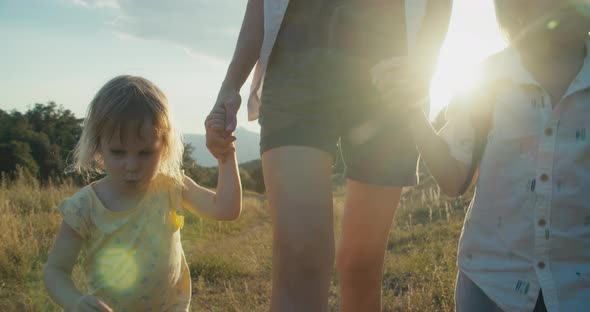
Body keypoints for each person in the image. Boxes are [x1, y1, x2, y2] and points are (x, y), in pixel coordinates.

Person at [205, 0, 452, 310]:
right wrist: (231, 85)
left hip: (390, 62)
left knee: (360, 265)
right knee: (300, 258)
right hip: (298, 54)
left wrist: (424, 67)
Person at [373, 0, 590, 311]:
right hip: (490, 287)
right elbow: (453, 179)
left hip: (578, 291)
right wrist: (410, 109)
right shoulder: (489, 78)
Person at [43, 75, 241, 311]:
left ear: (164, 146)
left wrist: (225, 155)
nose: (131, 165)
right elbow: (56, 271)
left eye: (145, 153)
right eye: (118, 152)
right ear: (98, 147)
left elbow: (226, 209)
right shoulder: (84, 207)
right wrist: (74, 301)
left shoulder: (171, 186)